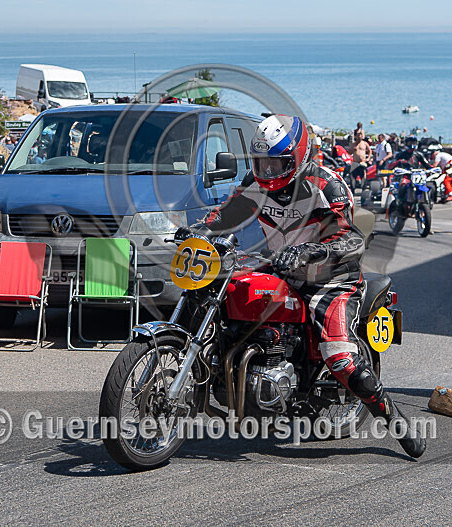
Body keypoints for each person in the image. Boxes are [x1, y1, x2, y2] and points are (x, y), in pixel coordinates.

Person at [178, 114, 426, 458]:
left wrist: (313, 251)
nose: (267, 171)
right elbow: (229, 213)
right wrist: (200, 231)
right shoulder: (255, 183)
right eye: (261, 163)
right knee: (229, 295)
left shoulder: (327, 187)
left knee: (340, 357)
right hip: (281, 266)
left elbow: (353, 240)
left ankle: (396, 421)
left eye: (276, 163)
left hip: (331, 280)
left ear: (297, 157)